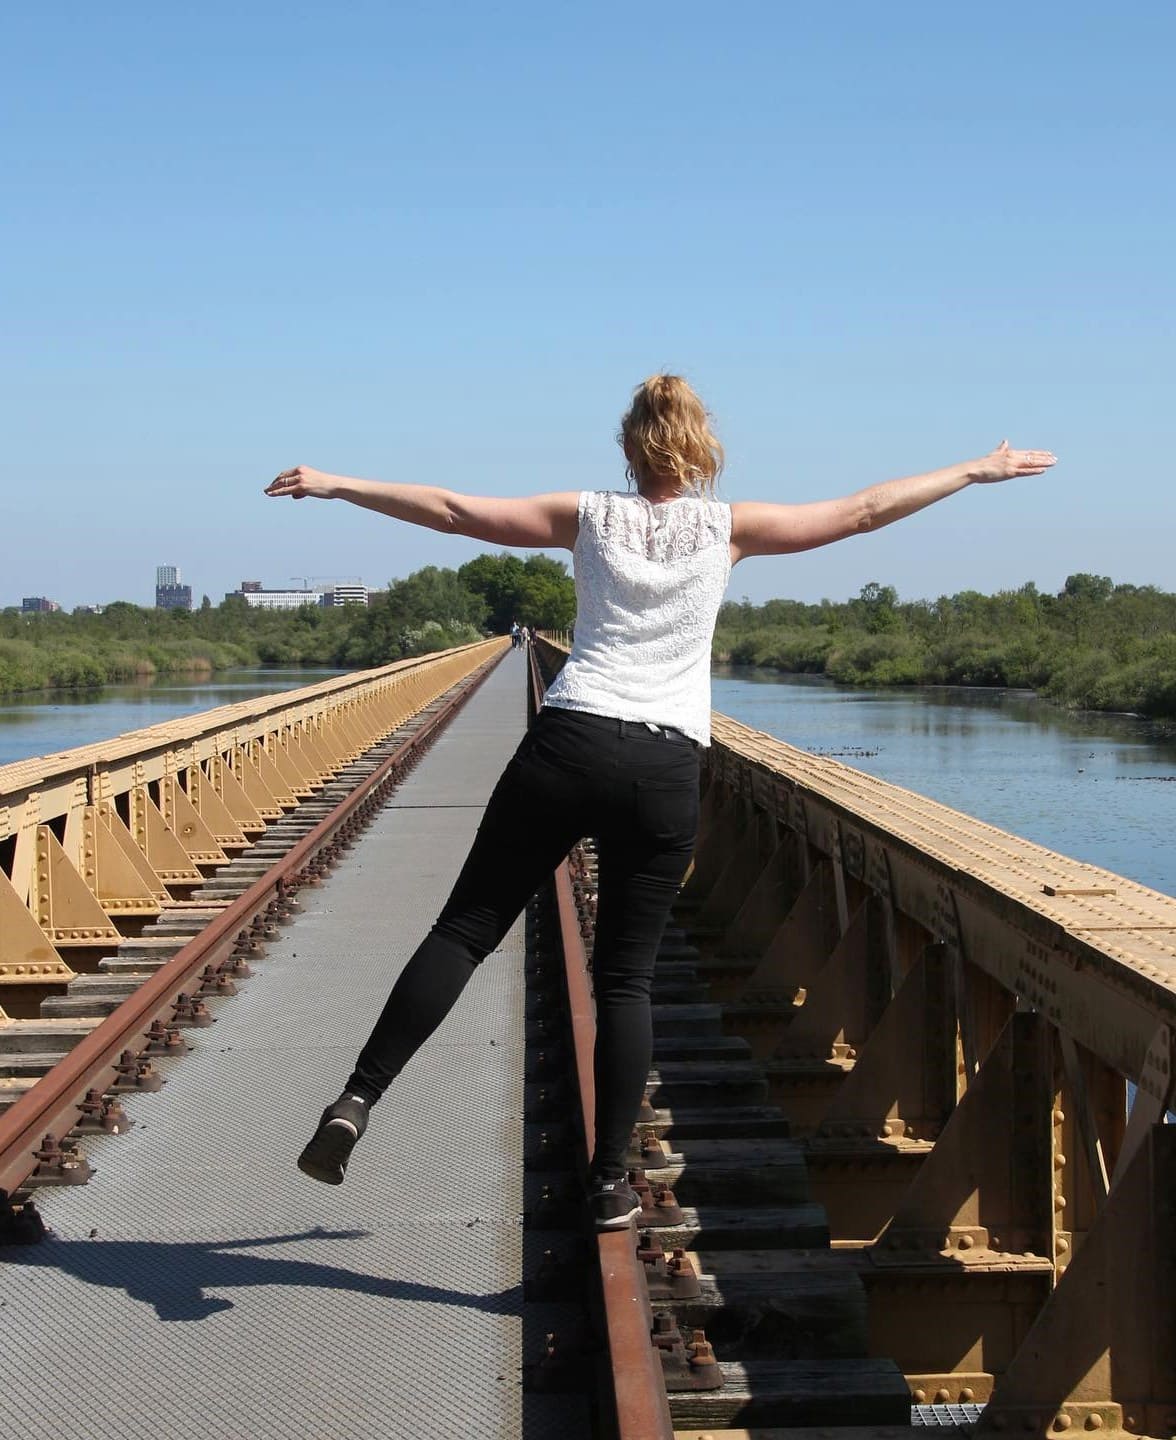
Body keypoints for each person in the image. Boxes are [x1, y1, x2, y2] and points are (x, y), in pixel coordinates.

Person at [265, 374, 1056, 1227]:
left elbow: (455, 510)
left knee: (464, 929)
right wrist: (977, 470)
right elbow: (864, 510)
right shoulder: (731, 528)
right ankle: (609, 1183)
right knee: (626, 981)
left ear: (629, 445)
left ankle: (356, 1099)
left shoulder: (586, 516)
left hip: (569, 742)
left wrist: (339, 483)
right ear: (702, 446)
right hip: (664, 762)